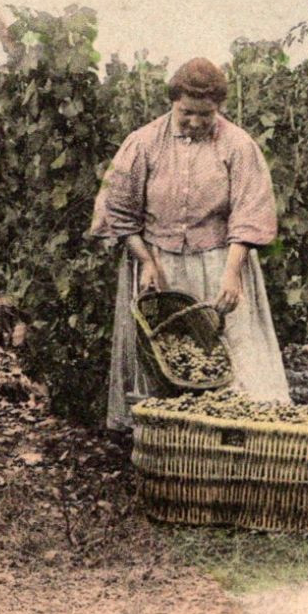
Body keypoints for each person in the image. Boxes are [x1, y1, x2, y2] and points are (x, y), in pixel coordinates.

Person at [88, 57, 290, 430]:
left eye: (206, 114)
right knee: (165, 353)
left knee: (229, 351)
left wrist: (232, 274)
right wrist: (145, 261)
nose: (196, 122)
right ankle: (165, 442)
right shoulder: (142, 143)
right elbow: (119, 209)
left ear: (219, 108)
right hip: (159, 265)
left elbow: (249, 212)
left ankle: (235, 437)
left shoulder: (239, 146)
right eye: (186, 113)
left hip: (219, 263)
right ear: (172, 102)